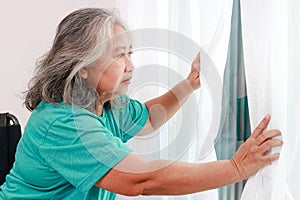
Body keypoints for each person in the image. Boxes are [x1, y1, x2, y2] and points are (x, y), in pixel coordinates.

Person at [0, 8, 283, 200]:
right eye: (119, 55)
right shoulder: (62, 122)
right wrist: (235, 169)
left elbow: (148, 117)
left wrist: (188, 85)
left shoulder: (106, 101)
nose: (130, 65)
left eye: (130, 53)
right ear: (82, 66)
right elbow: (141, 180)